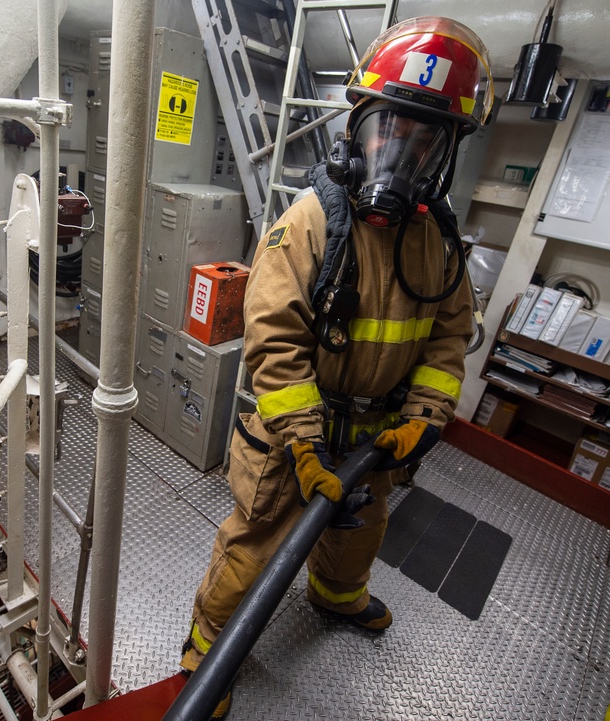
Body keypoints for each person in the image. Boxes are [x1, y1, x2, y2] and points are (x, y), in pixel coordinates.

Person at [180, 16, 494, 717]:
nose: (400, 153)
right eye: (390, 129)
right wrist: (305, 440)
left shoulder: (439, 247)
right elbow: (271, 338)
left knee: (361, 529)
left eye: (423, 140)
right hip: (295, 444)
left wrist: (424, 418)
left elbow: (450, 338)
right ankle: (207, 648)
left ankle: (337, 594)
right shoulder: (309, 222)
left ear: (444, 155)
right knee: (255, 546)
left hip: (377, 443)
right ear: (357, 129)